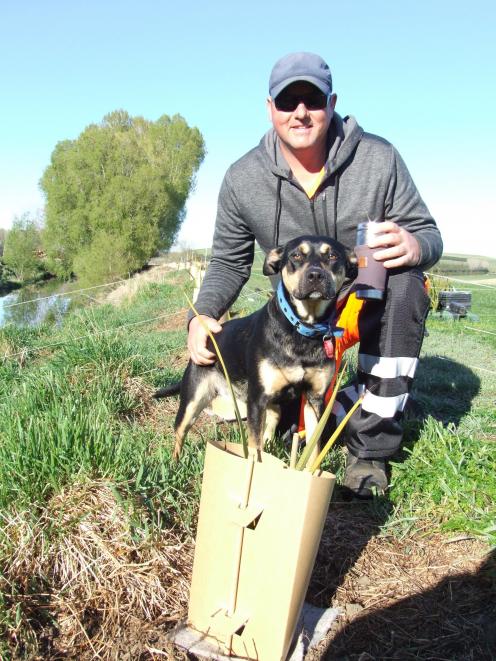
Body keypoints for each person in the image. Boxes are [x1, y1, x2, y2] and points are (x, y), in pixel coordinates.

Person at [187, 52, 442, 497]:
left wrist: (414, 245)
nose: (300, 112)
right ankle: (320, 410)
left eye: (313, 99)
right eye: (288, 101)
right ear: (270, 109)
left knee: (407, 285)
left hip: (361, 306)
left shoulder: (379, 158)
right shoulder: (242, 178)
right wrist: (201, 313)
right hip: (293, 321)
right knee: (280, 411)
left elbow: (428, 233)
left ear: (332, 102)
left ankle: (369, 451)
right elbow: (229, 262)